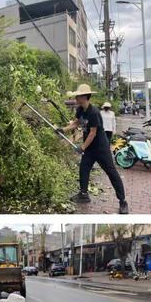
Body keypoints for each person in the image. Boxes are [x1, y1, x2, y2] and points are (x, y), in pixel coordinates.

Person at [59, 84, 128, 214]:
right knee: (83, 169)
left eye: (78, 95)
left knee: (111, 172)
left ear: (84, 97)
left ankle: (122, 201)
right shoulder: (80, 110)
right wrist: (63, 129)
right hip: (90, 148)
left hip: (101, 148)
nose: (76, 97)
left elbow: (92, 133)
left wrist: (82, 147)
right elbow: (76, 123)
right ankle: (83, 195)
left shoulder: (94, 112)